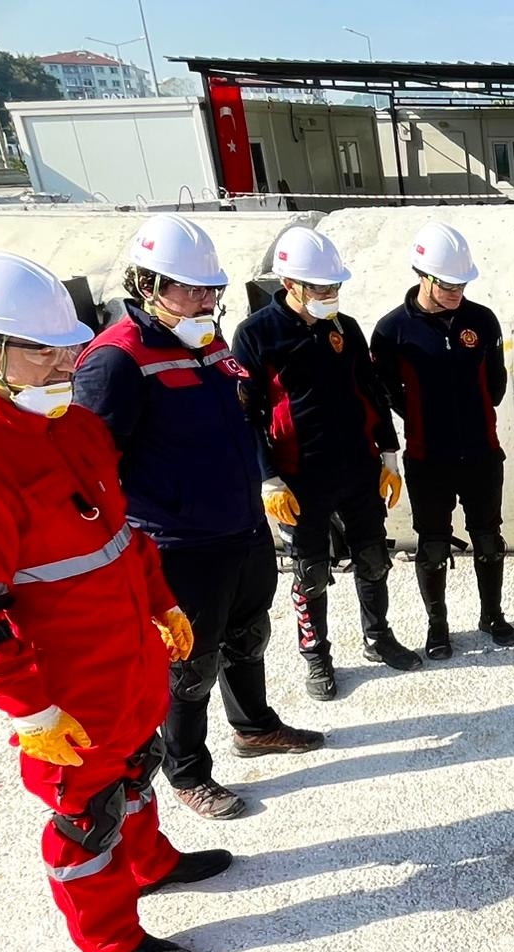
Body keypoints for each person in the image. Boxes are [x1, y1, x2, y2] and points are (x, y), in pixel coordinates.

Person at [0, 251, 231, 952]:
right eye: (44, 351)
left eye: (68, 346)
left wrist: (163, 602)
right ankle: (108, 939)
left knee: (138, 765)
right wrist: (31, 711)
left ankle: (152, 863)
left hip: (125, 652)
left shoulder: (73, 424)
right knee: (88, 811)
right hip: (64, 679)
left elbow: (118, 533)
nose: (65, 362)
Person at [74, 215, 323, 820]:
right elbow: (90, 469)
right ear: (146, 285)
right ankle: (187, 771)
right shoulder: (115, 361)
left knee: (248, 635)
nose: (204, 301)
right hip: (178, 543)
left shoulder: (207, 342)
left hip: (239, 525)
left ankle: (255, 726)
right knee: (190, 663)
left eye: (211, 289)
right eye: (189, 289)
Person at [232, 225, 421, 700]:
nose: (330, 295)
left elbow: (371, 391)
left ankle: (378, 638)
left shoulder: (345, 328)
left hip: (356, 468)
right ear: (289, 283)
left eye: (335, 286)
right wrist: (267, 477)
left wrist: (388, 453)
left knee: (374, 558)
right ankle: (317, 656)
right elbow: (246, 413)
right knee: (309, 572)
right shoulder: (256, 335)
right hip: (298, 478)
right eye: (321, 287)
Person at [372, 221, 514, 661]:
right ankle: (438, 626)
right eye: (448, 283)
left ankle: (491, 615)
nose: (457, 291)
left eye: (463, 283)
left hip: (481, 453)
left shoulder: (481, 320)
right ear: (423, 275)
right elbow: (387, 393)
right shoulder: (392, 330)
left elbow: (495, 383)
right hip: (427, 457)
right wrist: (419, 418)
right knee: (432, 545)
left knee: (488, 538)